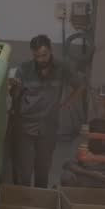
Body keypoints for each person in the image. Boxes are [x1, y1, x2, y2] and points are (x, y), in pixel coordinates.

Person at [9, 34, 82, 188]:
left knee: (43, 170)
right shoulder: (24, 69)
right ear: (32, 54)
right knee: (25, 171)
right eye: (37, 56)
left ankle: (39, 203)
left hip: (48, 127)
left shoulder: (62, 68)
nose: (41, 60)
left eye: (44, 55)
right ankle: (23, 204)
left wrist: (67, 103)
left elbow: (79, 86)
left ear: (51, 50)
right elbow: (15, 97)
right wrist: (15, 87)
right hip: (26, 128)